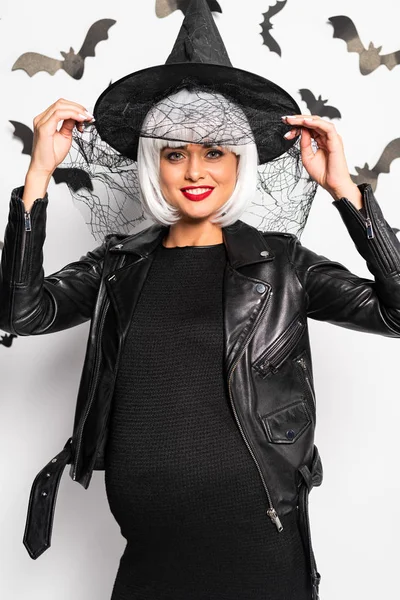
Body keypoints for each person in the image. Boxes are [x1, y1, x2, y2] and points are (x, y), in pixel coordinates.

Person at [1, 1, 400, 599]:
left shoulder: (281, 264)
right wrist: (35, 184)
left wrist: (348, 193)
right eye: (175, 151)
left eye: (215, 150)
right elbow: (21, 313)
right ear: (152, 163)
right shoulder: (119, 265)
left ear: (239, 161)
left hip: (257, 551)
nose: (195, 169)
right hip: (149, 558)